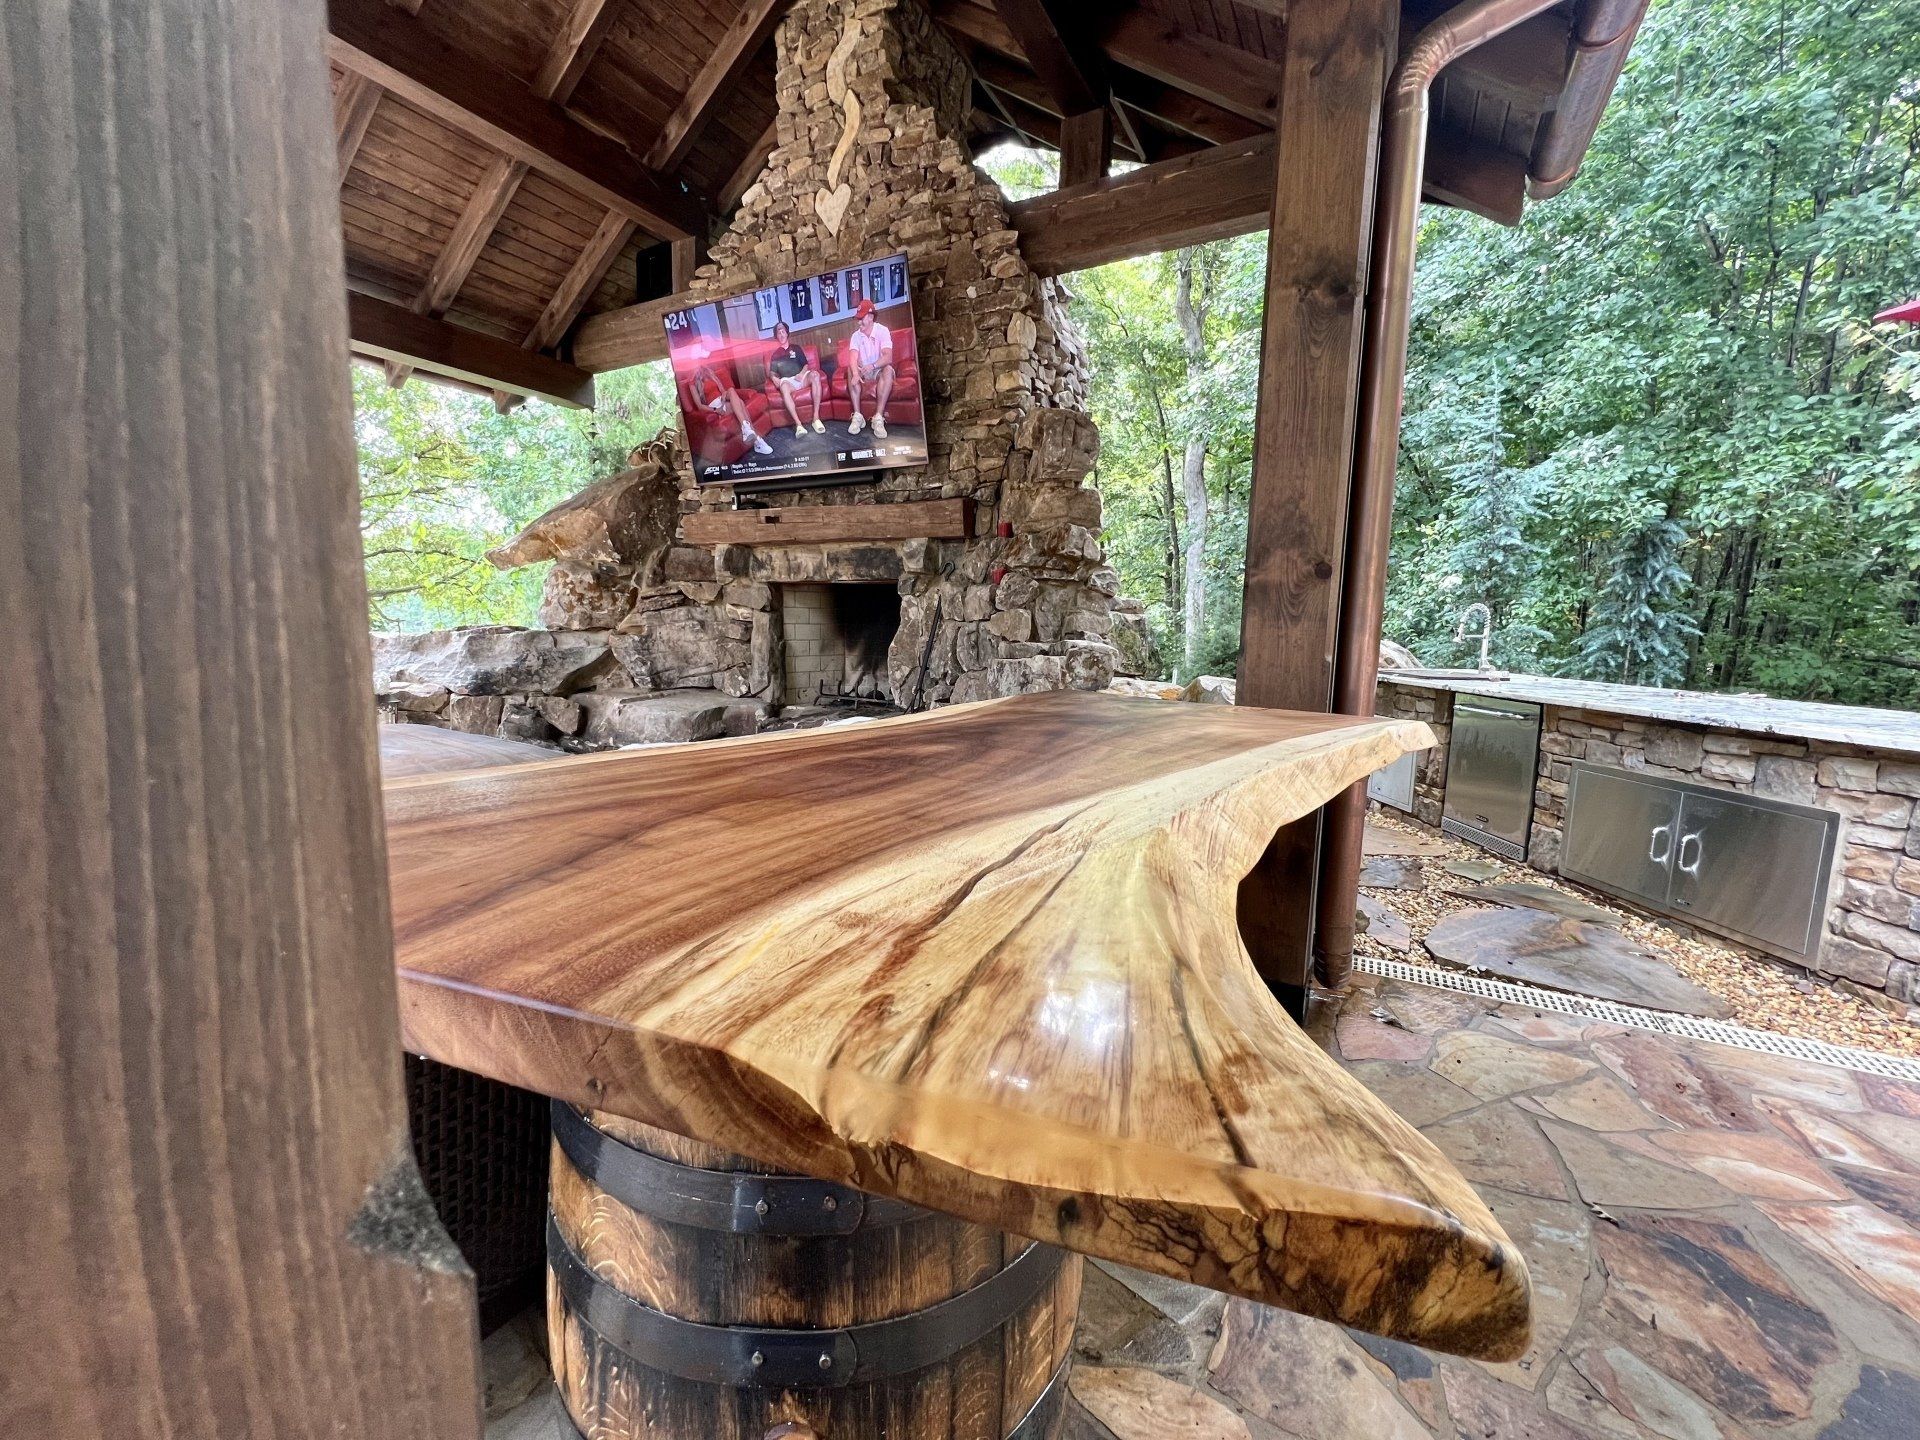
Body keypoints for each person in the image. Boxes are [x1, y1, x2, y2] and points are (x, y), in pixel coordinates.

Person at [684, 353, 771, 456]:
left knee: (730, 390)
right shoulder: (692, 382)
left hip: (723, 399)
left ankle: (747, 430)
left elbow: (722, 390)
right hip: (715, 406)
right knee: (741, 403)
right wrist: (716, 410)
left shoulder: (710, 373)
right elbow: (699, 406)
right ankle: (756, 440)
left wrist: (724, 394)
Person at [766, 322, 826, 438]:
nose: (781, 334)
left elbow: (806, 365)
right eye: (779, 332)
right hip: (788, 382)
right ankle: (799, 425)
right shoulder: (775, 354)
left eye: (783, 331)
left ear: (787, 333)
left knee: (815, 375)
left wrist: (802, 373)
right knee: (783, 386)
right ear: (776, 336)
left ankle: (816, 418)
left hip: (801, 377)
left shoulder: (796, 348)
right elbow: (772, 373)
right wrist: (774, 379)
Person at [845, 299, 894, 440]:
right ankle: (858, 416)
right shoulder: (855, 336)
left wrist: (872, 365)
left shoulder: (882, 330)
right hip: (863, 371)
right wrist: (855, 373)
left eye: (861, 319)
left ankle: (878, 418)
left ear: (871, 317)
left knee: (888, 369)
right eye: (858, 319)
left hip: (878, 368)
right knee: (850, 369)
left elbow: (888, 357)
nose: (859, 322)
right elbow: (853, 358)